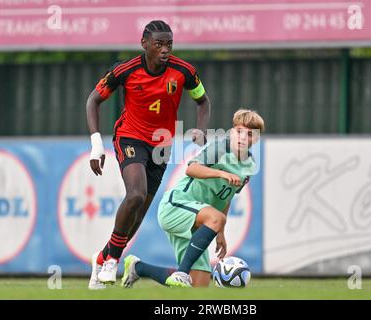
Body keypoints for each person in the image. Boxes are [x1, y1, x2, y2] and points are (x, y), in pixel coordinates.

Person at [86, 20, 210, 289]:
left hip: (162, 145)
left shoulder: (184, 71)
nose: (165, 50)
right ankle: (113, 261)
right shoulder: (125, 70)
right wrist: (97, 145)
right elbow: (93, 100)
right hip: (130, 136)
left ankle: (101, 257)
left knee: (139, 214)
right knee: (136, 194)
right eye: (159, 44)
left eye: (169, 44)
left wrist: (201, 130)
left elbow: (202, 100)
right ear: (144, 44)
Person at [120, 109, 264, 288]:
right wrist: (221, 173)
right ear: (232, 131)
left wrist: (220, 232)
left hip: (196, 220)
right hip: (176, 205)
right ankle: (181, 272)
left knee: (199, 286)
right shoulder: (220, 148)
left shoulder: (249, 166)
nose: (243, 137)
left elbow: (226, 198)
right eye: (239, 131)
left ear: (257, 139)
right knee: (215, 219)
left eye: (250, 134)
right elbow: (191, 169)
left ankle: (138, 267)